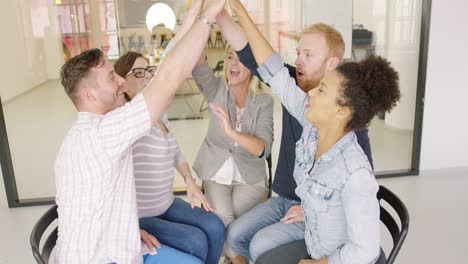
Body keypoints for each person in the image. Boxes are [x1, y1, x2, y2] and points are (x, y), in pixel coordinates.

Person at [53, 0, 227, 263]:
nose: (121, 81)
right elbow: (168, 77)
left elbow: (163, 68)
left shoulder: (85, 133)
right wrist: (207, 17)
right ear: (88, 94)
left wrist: (128, 231)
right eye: (112, 77)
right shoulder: (104, 133)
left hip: (105, 245)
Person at [227, 0, 400, 263]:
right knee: (252, 247)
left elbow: (365, 250)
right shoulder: (312, 124)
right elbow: (274, 72)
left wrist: (321, 263)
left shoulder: (354, 172)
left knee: (261, 252)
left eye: (321, 91)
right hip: (314, 239)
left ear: (341, 111)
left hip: (330, 256)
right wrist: (239, 11)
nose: (309, 93)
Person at [113, 51, 225, 264]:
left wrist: (190, 181)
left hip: (167, 203)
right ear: (122, 83)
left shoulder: (159, 113)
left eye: (148, 71)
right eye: (137, 72)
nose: (146, 76)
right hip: (142, 216)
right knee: (196, 241)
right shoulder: (125, 121)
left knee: (215, 226)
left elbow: (176, 152)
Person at [190, 41, 274, 262]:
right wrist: (203, 20)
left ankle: (228, 257)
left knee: (228, 223)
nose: (233, 64)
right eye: (229, 57)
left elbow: (262, 149)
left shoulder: (263, 102)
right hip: (216, 173)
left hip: (250, 177)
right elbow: (198, 63)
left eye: (241, 59)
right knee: (225, 218)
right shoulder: (216, 89)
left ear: (254, 66)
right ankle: (238, 260)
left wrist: (231, 131)